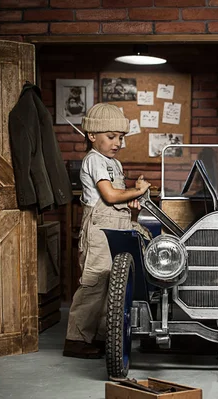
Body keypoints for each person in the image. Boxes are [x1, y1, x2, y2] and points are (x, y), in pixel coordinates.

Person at [63, 103, 151, 359]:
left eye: (121, 137)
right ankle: (77, 339)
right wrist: (137, 191)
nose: (118, 143)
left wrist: (131, 198)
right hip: (100, 229)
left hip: (118, 226)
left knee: (113, 284)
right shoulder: (94, 160)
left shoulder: (114, 163)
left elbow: (119, 198)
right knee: (94, 282)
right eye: (111, 137)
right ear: (92, 136)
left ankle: (102, 337)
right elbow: (110, 195)